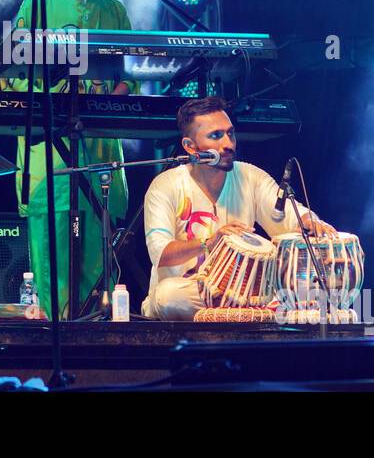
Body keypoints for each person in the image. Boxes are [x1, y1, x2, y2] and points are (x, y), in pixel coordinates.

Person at [1, 0, 136, 318]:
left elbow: (130, 77)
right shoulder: (39, 3)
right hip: (52, 154)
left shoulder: (115, 11)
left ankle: (99, 339)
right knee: (54, 256)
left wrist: (110, 102)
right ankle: (57, 339)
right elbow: (13, 73)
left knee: (99, 256)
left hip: (99, 152)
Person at [142, 96, 337, 320]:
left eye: (230, 133)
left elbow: (286, 214)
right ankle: (254, 314)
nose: (228, 144)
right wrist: (209, 242)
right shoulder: (166, 185)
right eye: (215, 136)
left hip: (243, 297)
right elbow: (160, 253)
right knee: (168, 296)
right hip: (191, 294)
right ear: (190, 146)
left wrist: (310, 221)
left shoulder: (249, 176)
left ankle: (243, 312)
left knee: (304, 296)